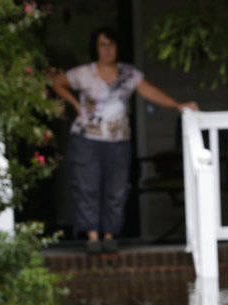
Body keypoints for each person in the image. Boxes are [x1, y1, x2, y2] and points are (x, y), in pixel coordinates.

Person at [51, 27, 199, 254]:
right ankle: (92, 237)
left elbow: (150, 92)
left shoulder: (129, 74)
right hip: (86, 140)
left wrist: (177, 105)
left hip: (119, 141)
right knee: (87, 186)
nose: (107, 49)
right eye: (102, 45)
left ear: (118, 47)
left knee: (117, 189)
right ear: (96, 48)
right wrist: (75, 104)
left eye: (111, 44)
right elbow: (58, 83)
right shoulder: (84, 73)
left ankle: (109, 236)